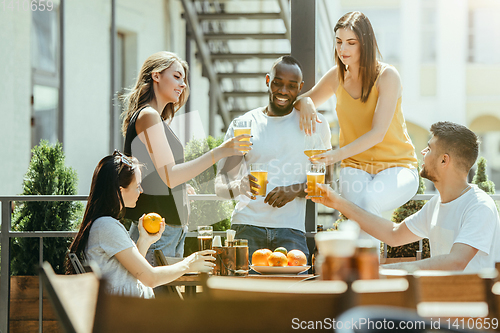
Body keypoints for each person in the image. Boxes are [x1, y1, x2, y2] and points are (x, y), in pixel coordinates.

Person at [293, 11, 419, 242]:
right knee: (358, 217)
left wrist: (334, 156)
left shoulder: (387, 76)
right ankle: (367, 272)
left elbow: (378, 133)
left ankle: (367, 273)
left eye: (351, 43)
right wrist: (308, 103)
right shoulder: (336, 76)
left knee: (369, 202)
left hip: (397, 166)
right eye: (339, 42)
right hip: (355, 166)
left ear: (366, 44)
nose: (343, 49)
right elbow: (301, 101)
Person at [308, 122, 500, 273]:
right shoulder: (435, 205)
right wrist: (336, 201)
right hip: (441, 304)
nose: (422, 153)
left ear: (444, 160)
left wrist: (385, 270)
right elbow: (394, 234)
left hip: (473, 314)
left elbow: (456, 261)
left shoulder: (479, 206)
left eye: (429, 148)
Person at [120, 51, 250, 264]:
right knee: (157, 297)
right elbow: (170, 175)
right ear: (156, 76)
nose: (183, 85)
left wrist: (180, 188)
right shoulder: (149, 116)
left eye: (184, 79)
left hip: (165, 231)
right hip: (156, 233)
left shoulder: (156, 119)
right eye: (177, 76)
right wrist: (221, 151)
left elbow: (161, 176)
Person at [215, 56, 332, 258]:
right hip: (246, 227)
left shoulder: (315, 124)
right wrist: (239, 186)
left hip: (291, 230)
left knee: (296, 289)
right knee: (242, 290)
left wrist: (294, 190)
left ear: (300, 87)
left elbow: (326, 180)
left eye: (292, 86)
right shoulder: (244, 124)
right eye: (278, 83)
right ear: (268, 81)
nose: (284, 91)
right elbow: (221, 186)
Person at [66, 151, 215, 298]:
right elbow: (150, 278)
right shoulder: (106, 226)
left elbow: (131, 271)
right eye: (137, 186)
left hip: (128, 311)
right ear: (120, 191)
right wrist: (189, 263)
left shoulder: (104, 224)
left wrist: (145, 240)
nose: (141, 191)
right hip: (130, 314)